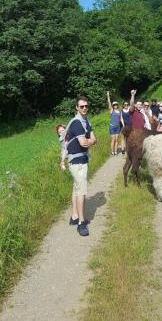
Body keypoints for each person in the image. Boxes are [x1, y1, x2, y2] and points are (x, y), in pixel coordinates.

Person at [61, 95, 96, 237]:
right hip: (77, 162)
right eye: (81, 106)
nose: (84, 108)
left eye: (86, 106)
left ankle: (74, 216)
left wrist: (91, 140)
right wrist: (92, 140)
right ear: (76, 107)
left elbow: (94, 138)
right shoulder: (77, 123)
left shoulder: (86, 121)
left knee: (76, 188)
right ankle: (81, 223)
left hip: (81, 160)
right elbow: (84, 143)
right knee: (81, 190)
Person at [107, 91, 122, 156]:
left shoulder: (119, 111)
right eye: (114, 105)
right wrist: (108, 96)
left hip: (118, 127)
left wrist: (123, 125)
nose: (115, 105)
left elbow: (121, 119)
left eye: (116, 105)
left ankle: (116, 151)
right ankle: (112, 151)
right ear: (113, 106)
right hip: (112, 127)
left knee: (116, 140)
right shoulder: (111, 110)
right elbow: (109, 103)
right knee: (113, 139)